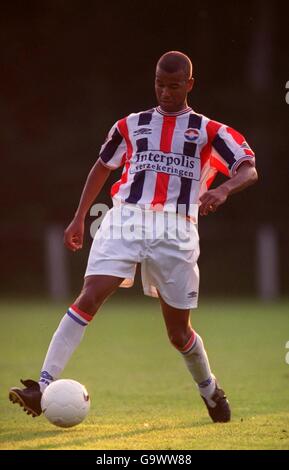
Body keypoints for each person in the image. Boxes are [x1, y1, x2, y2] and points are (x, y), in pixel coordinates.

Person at [9, 51, 257, 422]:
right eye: (159, 84)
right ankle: (42, 386)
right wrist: (79, 218)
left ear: (189, 84)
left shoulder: (210, 131)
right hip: (126, 218)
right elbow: (102, 167)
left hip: (176, 228)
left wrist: (223, 190)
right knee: (90, 295)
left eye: (174, 86)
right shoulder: (130, 125)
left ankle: (209, 389)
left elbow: (249, 169)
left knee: (178, 333)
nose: (165, 92)